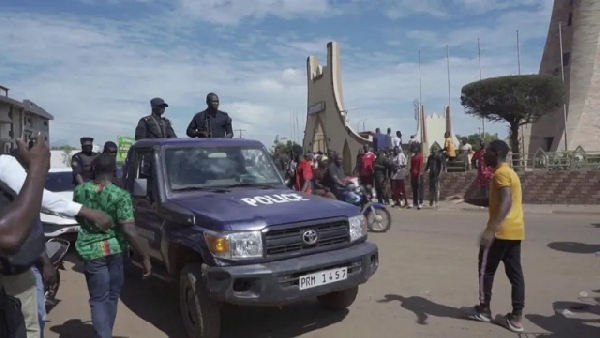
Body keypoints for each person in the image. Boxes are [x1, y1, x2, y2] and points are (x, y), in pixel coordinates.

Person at [7, 138, 114, 337]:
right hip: (17, 267)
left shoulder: (81, 191)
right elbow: (21, 232)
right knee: (30, 322)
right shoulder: (19, 184)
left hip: (81, 253)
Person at [74, 153, 152, 338]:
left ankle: (104, 334)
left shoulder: (80, 191)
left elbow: (77, 215)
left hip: (91, 252)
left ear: (94, 170)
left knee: (98, 299)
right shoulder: (121, 195)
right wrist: (145, 256)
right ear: (115, 172)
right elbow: (129, 231)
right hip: (115, 250)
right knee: (111, 297)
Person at [465, 140, 525, 333]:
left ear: (495, 153)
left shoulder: (500, 174)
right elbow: (495, 201)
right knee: (515, 274)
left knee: (486, 271)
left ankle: (484, 310)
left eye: (487, 152)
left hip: (500, 232)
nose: (484, 155)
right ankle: (516, 317)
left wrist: (491, 230)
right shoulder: (508, 172)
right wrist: (467, 199)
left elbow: (506, 202)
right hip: (515, 231)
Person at [409, 144, 424, 210]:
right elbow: (411, 167)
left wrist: (418, 177)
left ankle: (421, 202)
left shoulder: (420, 157)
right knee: (414, 189)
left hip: (419, 175)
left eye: (415, 148)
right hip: (413, 175)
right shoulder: (413, 157)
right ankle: (415, 202)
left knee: (420, 189)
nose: (414, 150)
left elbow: (420, 167)